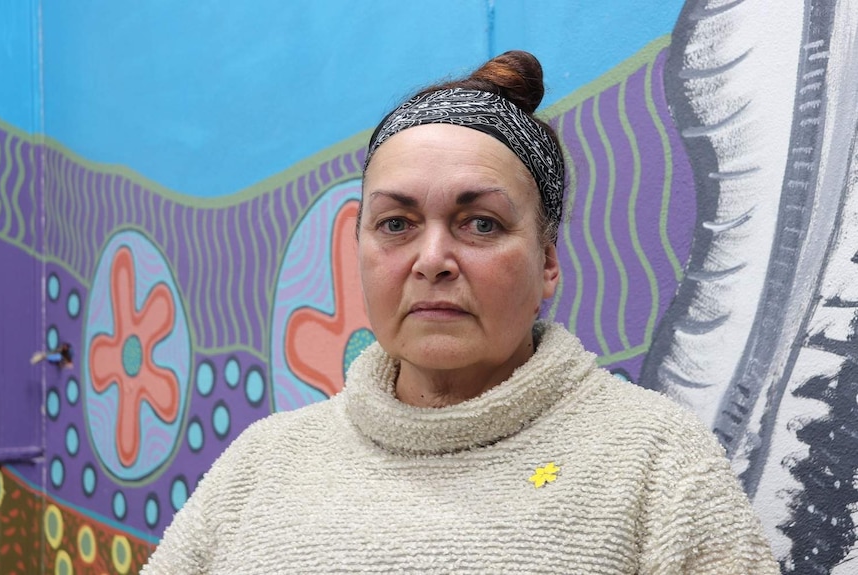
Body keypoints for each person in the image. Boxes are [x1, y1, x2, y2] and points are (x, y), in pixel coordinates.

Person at [142, 51, 779, 574]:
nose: (433, 259)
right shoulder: (264, 463)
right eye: (396, 223)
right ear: (359, 250)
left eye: (481, 223)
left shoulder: (656, 463)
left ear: (547, 262)